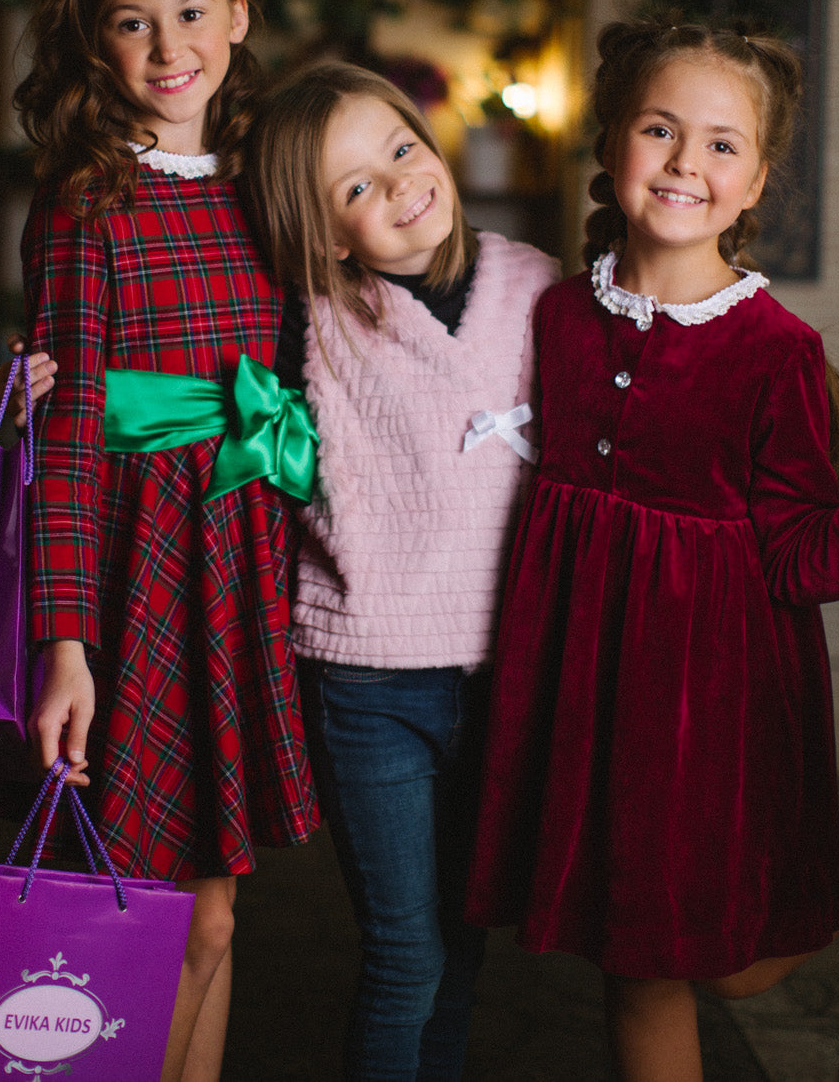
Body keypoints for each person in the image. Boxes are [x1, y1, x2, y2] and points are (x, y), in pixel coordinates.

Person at [463, 19, 839, 1082]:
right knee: (642, 969)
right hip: (587, 700)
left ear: (760, 179)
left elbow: (800, 558)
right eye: (661, 130)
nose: (687, 162)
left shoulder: (778, 355)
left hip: (709, 715)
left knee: (735, 970)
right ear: (611, 148)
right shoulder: (552, 319)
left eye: (723, 144)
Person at [12, 0, 319, 1082]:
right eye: (132, 23)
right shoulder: (88, 200)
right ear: (96, 41)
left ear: (238, 18)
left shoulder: (267, 183)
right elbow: (75, 431)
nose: (167, 46)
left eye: (191, 12)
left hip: (240, 567)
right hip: (138, 573)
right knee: (128, 912)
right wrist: (67, 644)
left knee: (216, 916)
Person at [238, 61, 560, 1081]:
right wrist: (51, 377)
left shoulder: (540, 287)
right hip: (371, 682)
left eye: (401, 150)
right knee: (405, 956)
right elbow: (181, 402)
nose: (400, 185)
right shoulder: (310, 325)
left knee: (463, 948)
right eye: (358, 190)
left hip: (505, 670)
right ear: (330, 237)